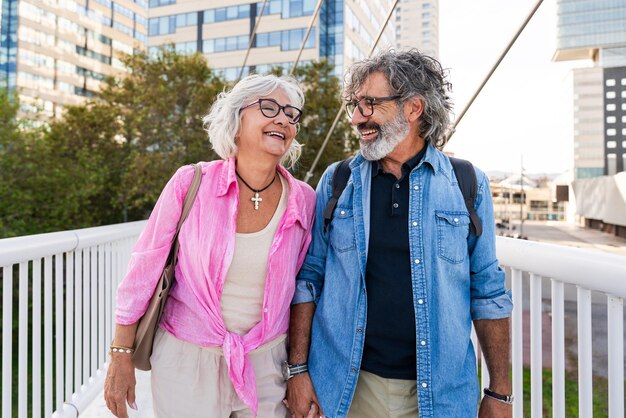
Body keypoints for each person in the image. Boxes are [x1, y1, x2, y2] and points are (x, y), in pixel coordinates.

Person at [285, 49, 514, 418]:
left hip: (440, 396)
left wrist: (499, 393)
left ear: (413, 108)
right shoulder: (337, 181)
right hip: (346, 388)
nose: (358, 117)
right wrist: (297, 371)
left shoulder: (468, 184)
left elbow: (487, 290)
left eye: (370, 104)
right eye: (355, 105)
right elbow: (309, 280)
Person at [104, 74, 316, 418]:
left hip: (266, 362)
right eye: (269, 108)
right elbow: (142, 272)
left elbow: (305, 289)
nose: (283, 119)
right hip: (187, 360)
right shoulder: (191, 183)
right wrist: (120, 354)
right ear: (236, 120)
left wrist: (298, 370)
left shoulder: (304, 200)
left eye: (291, 114)